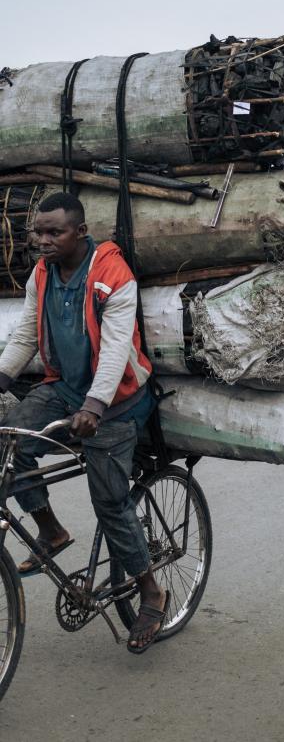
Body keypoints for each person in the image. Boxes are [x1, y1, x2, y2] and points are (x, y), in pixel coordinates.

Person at [0, 191, 168, 654]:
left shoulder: (113, 273)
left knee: (110, 500)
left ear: (80, 232)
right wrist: (1, 377)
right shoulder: (42, 273)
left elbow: (116, 348)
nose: (42, 240)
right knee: (9, 444)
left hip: (117, 400)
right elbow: (28, 333)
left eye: (54, 232)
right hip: (65, 388)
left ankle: (151, 591)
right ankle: (51, 529)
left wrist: (95, 407)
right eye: (38, 231)